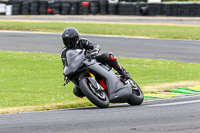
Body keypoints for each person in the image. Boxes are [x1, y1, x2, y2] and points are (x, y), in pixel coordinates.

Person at [61, 27, 130, 98]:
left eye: (70, 41)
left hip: (91, 60)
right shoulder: (64, 51)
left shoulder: (83, 42)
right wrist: (67, 74)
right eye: (66, 41)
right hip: (79, 67)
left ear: (76, 38)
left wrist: (94, 50)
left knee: (108, 56)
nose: (68, 43)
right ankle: (93, 92)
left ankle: (122, 72)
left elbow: (95, 46)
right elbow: (66, 64)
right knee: (77, 92)